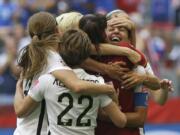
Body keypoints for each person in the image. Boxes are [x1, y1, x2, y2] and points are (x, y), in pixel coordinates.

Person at [13, 12, 116, 135]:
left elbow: (19, 110)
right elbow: (77, 86)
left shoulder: (29, 54)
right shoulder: (54, 61)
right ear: (57, 30)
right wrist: (107, 89)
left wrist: (18, 89)